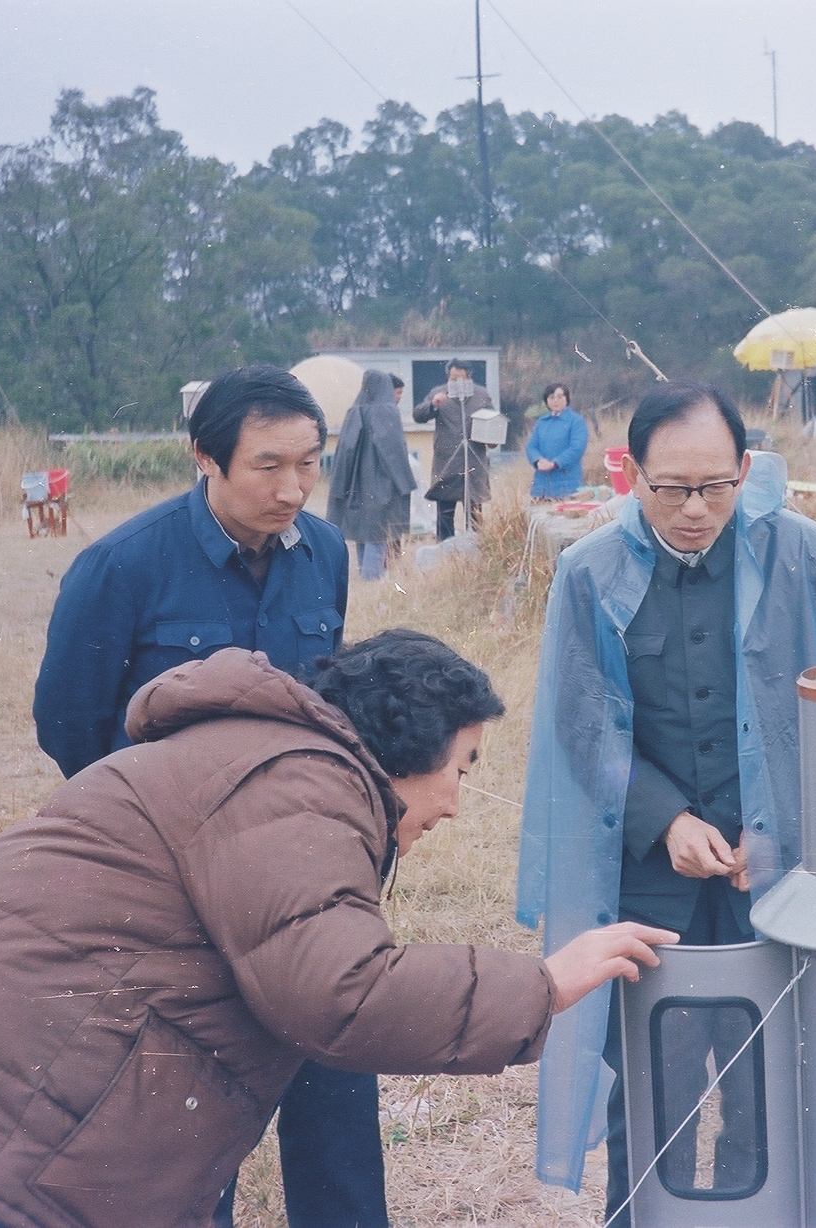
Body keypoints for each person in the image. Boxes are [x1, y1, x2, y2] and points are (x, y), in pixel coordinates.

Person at [0, 632, 678, 1228]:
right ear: (403, 749)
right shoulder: (298, 780)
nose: (455, 801)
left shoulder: (259, 760)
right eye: (461, 768)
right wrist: (546, 983)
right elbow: (339, 991)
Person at [514, 380, 816, 1220]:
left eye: (715, 486)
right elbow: (579, 722)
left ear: (746, 468)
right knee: (652, 1090)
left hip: (784, 879)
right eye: (670, 488)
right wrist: (665, 819)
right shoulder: (590, 573)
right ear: (628, 475)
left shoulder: (808, 560)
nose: (693, 509)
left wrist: (779, 833)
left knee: (778, 1086)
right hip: (650, 882)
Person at [29, 363, 377, 1228]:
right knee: (182, 1121)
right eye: (268, 465)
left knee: (336, 1085)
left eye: (309, 463)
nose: (293, 488)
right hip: (172, 894)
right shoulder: (119, 568)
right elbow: (70, 726)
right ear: (205, 459)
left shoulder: (325, 555)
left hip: (302, 881)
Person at [327, 369, 415, 581]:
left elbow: (344, 452)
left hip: (356, 486)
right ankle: (372, 585)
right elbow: (393, 451)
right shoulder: (386, 411)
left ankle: (366, 581)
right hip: (381, 484)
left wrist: (339, 487)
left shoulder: (354, 411)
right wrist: (405, 482)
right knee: (378, 535)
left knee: (363, 536)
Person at [412, 359, 493, 540]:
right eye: (452, 379)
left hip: (474, 464)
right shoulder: (439, 393)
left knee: (475, 516)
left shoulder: (482, 395)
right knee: (445, 515)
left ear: (469, 377)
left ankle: (476, 552)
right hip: (447, 464)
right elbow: (418, 415)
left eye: (461, 379)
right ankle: (444, 554)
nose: (456, 383)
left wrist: (492, 439)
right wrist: (433, 404)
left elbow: (492, 424)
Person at [524, 382, 590, 501]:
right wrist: (537, 460)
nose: (556, 401)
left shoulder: (576, 421)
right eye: (551, 397)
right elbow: (531, 446)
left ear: (567, 398)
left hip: (568, 484)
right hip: (541, 485)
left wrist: (555, 463)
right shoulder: (542, 421)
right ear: (546, 401)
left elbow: (577, 448)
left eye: (560, 397)